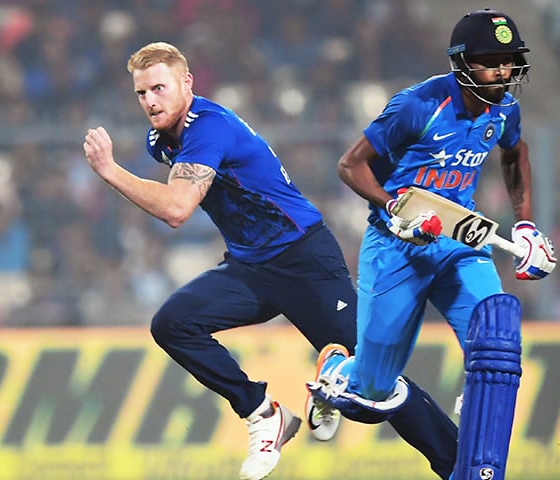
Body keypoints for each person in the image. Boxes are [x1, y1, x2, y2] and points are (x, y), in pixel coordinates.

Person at [82, 42, 458, 480]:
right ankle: (264, 414)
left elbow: (176, 209)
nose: (149, 101)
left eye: (159, 88)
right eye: (141, 93)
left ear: (187, 82)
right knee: (172, 323)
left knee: (375, 382)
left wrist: (109, 170)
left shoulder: (209, 127)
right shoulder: (160, 141)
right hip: (251, 267)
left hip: (304, 260)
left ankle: (459, 463)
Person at [307, 10, 557, 479]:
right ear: (462, 63)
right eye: (491, 62)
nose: (503, 72)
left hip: (459, 239)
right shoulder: (418, 104)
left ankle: (479, 466)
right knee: (373, 396)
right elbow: (350, 165)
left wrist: (525, 225)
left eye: (509, 61)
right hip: (396, 246)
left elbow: (515, 150)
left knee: (496, 340)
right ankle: (337, 374)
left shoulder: (504, 108)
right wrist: (393, 208)